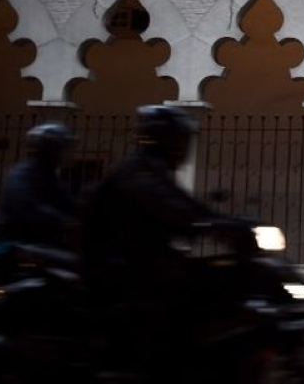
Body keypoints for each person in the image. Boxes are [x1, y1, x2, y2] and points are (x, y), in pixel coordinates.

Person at [81, 104, 248, 382]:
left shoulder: (151, 168)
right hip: (122, 268)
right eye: (180, 140)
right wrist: (211, 224)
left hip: (141, 260)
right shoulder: (139, 172)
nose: (184, 148)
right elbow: (170, 205)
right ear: (165, 140)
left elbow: (184, 204)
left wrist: (226, 222)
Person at [0, 123, 78, 262]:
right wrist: (64, 221)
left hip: (38, 245)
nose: (68, 153)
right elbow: (28, 207)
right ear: (51, 149)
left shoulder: (52, 178)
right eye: (64, 148)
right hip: (9, 245)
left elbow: (70, 203)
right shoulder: (21, 174)